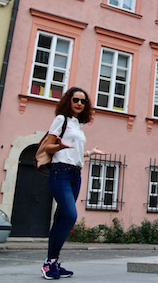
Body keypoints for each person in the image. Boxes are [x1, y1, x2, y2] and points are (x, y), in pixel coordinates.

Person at [40, 87, 107, 280]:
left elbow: (74, 152)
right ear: (68, 101)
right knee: (70, 215)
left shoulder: (78, 125)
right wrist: (58, 146)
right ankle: (49, 263)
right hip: (59, 173)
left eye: (83, 101)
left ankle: (52, 262)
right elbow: (48, 147)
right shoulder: (61, 119)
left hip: (75, 175)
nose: (79, 103)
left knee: (61, 219)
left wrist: (90, 153)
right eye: (76, 99)